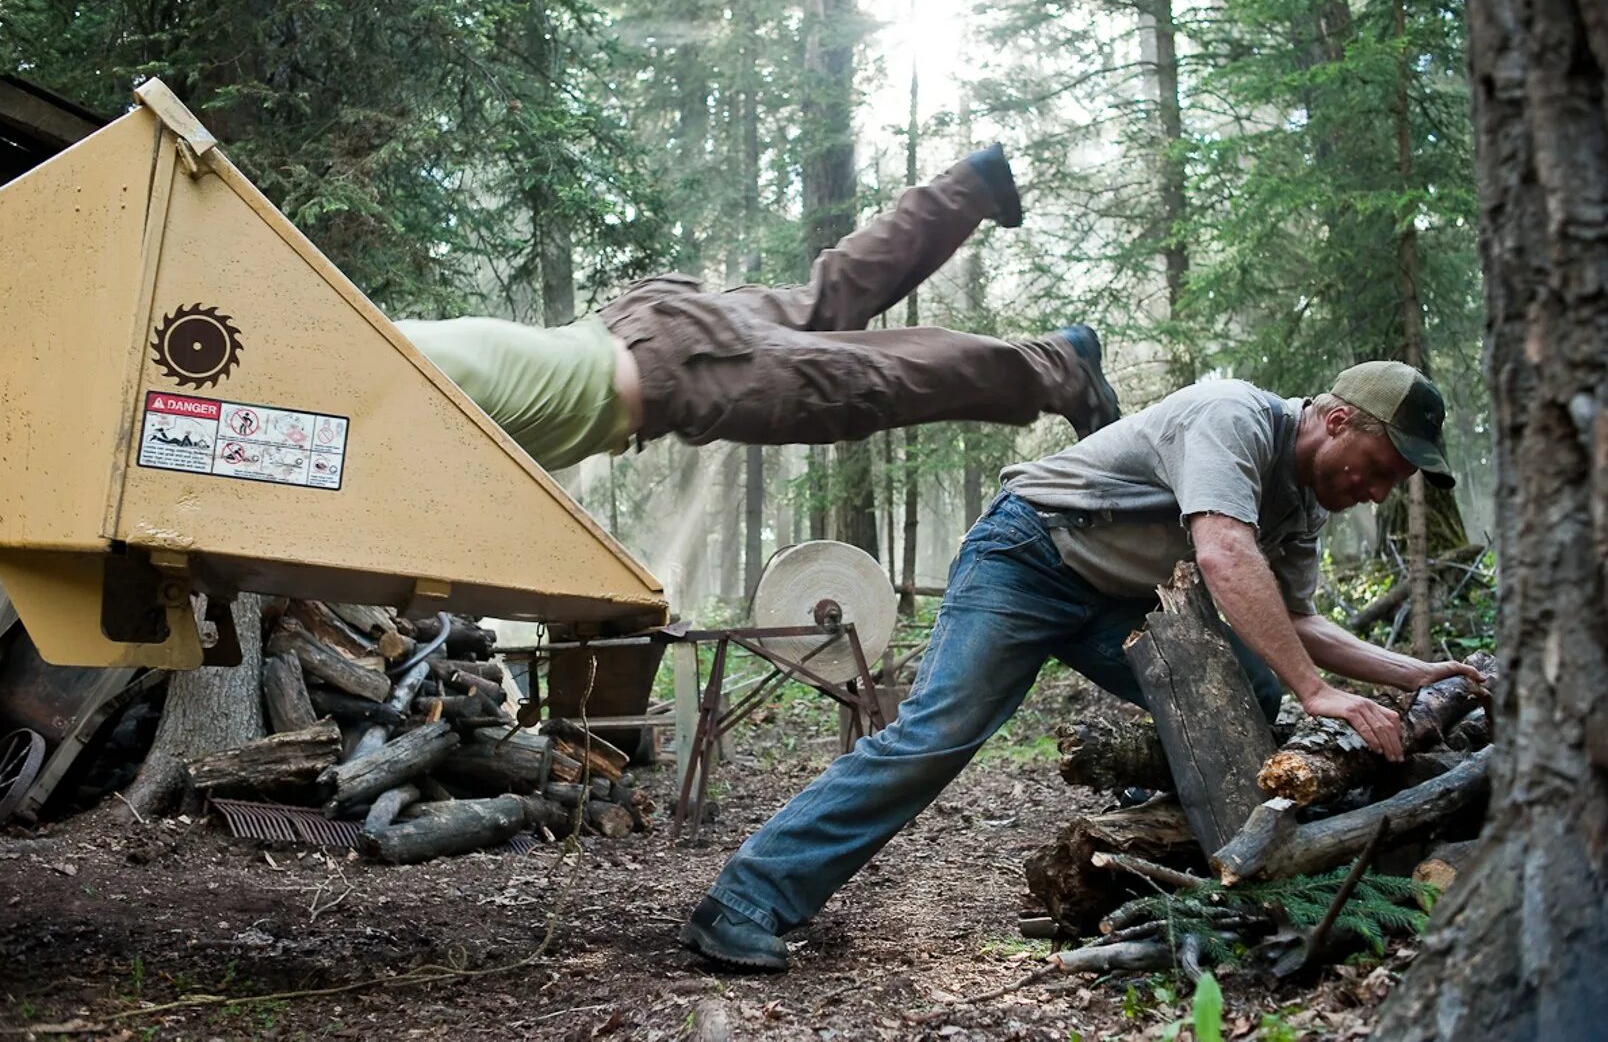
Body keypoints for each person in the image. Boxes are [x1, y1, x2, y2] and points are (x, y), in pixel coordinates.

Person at [680, 359, 1488, 972]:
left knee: (1252, 685)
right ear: (1339, 420)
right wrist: (1322, 695)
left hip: (1118, 598)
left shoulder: (1303, 503)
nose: (1379, 493)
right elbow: (1223, 550)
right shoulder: (1233, 415)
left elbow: (1302, 619)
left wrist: (1413, 676)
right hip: (1028, 554)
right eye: (1381, 470)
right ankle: (745, 900)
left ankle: (1187, 849)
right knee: (939, 733)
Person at [395, 145, 1121, 471]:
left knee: (867, 386)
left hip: (684, 371)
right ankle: (970, 185)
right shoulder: (373, 348)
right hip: (649, 325)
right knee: (828, 299)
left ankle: (1058, 365)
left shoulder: (371, 386)